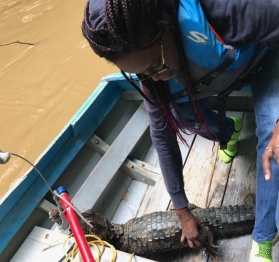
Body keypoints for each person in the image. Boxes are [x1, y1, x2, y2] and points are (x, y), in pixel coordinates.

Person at [81, 0, 279, 261]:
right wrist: (182, 211)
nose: (154, 77)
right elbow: (162, 136)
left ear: (167, 21)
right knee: (175, 114)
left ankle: (263, 238)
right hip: (218, 71)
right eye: (142, 74)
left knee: (272, 144)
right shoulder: (152, 74)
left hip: (264, 57)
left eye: (156, 64)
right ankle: (229, 133)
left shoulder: (226, 7)